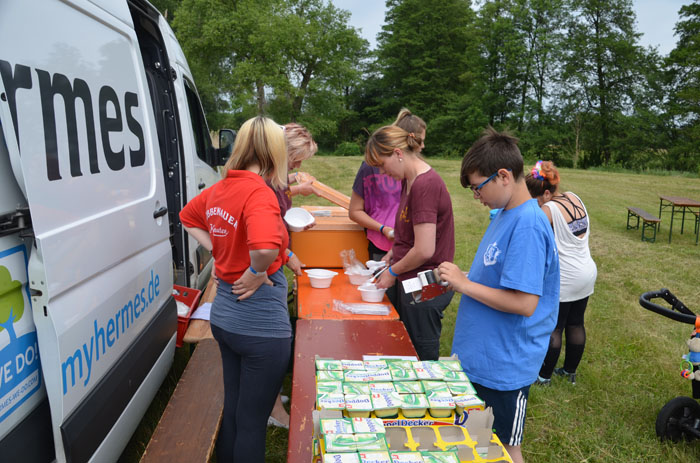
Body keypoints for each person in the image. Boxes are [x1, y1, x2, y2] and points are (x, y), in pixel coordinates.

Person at [437, 128, 559, 463]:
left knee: (504, 449)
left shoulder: (529, 226)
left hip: (505, 368)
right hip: (481, 360)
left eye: (478, 188)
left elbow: (524, 303)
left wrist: (464, 284)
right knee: (476, 442)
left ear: (503, 176)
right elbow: (496, 280)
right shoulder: (506, 214)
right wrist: (463, 279)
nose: (477, 196)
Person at [179, 116, 291, 462]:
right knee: (252, 422)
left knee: (236, 408)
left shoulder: (221, 187)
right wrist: (258, 270)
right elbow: (264, 248)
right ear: (275, 152)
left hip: (226, 319)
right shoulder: (261, 193)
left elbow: (187, 216)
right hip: (260, 326)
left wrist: (217, 248)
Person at [367, 125, 455, 361]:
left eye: (382, 165)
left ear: (397, 153)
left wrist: (393, 272)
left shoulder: (425, 185)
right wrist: (394, 251)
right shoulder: (410, 180)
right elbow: (410, 230)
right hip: (411, 278)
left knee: (420, 354)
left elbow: (425, 249)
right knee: (403, 347)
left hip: (428, 282)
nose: (383, 173)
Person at [526, 160, 597, 386]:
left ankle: (543, 376)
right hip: (586, 272)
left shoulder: (548, 210)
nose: (535, 205)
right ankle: (569, 372)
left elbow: (533, 236)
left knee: (554, 327)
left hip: (565, 277)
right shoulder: (575, 197)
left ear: (546, 193)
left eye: (535, 200)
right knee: (576, 323)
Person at [267, 122, 318, 429]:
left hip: (274, 265)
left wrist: (286, 252)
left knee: (281, 336)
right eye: (296, 160)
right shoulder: (262, 184)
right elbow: (264, 236)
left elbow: (280, 204)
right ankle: (272, 410)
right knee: (275, 344)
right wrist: (284, 255)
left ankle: (271, 395)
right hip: (267, 272)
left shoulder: (275, 178)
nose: (298, 166)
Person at [349, 109, 426, 263]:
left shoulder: (421, 175)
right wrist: (384, 229)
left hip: (410, 246)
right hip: (380, 245)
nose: (423, 146)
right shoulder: (368, 168)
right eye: (420, 140)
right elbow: (354, 211)